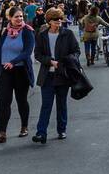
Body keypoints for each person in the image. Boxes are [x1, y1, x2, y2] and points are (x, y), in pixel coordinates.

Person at [33, 8, 79, 144]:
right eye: (55, 20)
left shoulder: (68, 34)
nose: (59, 22)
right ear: (49, 21)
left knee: (61, 104)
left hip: (63, 75)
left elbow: (76, 51)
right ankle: (41, 133)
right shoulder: (42, 36)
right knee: (46, 105)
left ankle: (61, 129)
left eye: (60, 19)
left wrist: (67, 60)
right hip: (47, 76)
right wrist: (50, 61)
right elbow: (37, 55)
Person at [0, 7, 35, 142]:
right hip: (4, 72)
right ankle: (2, 133)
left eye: (21, 17)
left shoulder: (28, 32)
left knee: (21, 100)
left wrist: (13, 62)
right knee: (4, 102)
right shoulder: (3, 32)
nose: (20, 19)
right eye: (16, 17)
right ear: (10, 18)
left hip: (21, 71)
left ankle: (24, 127)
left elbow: (27, 52)